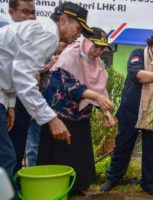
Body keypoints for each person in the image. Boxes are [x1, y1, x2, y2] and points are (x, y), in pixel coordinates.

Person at [0, 1, 92, 198]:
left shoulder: (42, 30)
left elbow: (9, 66)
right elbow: (22, 75)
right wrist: (51, 119)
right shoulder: (49, 33)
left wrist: (10, 105)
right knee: (5, 158)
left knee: (9, 157)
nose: (79, 34)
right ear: (64, 20)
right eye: (78, 28)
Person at [37, 27, 115, 197]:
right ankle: (57, 186)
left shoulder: (98, 63)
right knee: (59, 151)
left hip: (81, 115)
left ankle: (80, 185)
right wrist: (97, 98)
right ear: (86, 41)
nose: (98, 51)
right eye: (96, 46)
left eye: (102, 48)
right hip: (60, 114)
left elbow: (100, 89)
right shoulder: (70, 55)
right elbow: (70, 86)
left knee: (80, 150)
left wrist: (106, 111)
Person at [101, 27, 153, 196]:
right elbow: (137, 74)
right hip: (131, 110)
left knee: (152, 150)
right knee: (123, 146)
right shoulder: (138, 54)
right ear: (152, 42)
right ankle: (113, 178)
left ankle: (149, 183)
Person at [25, 42, 68, 167]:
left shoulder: (68, 60)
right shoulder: (43, 54)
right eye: (64, 44)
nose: (65, 48)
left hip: (54, 109)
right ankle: (32, 175)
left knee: (47, 145)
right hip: (37, 105)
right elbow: (30, 73)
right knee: (33, 145)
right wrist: (50, 65)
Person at [7, 0, 36, 174]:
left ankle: (13, 189)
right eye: (25, 12)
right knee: (7, 154)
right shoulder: (6, 37)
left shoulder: (29, 40)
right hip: (8, 103)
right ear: (11, 12)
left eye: (33, 12)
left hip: (23, 103)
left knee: (17, 151)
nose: (30, 17)